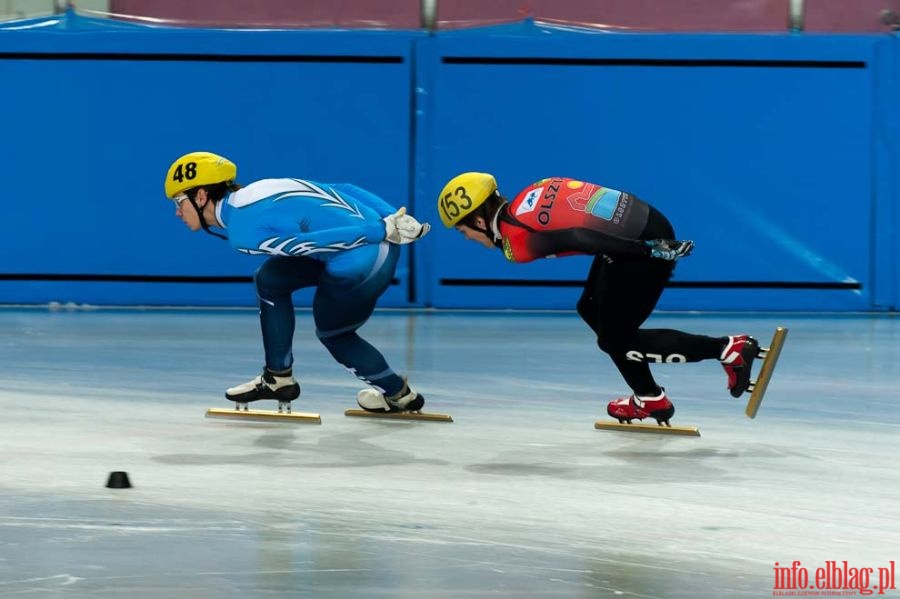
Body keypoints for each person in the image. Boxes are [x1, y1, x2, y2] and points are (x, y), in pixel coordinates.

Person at [437, 172, 759, 425]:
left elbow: (579, 237)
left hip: (637, 246)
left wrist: (648, 249)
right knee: (589, 308)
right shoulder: (531, 192)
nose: (470, 239)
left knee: (616, 341)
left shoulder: (515, 242)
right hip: (644, 222)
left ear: (479, 221)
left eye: (465, 232)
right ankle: (649, 398)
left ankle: (729, 350)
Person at [163, 151, 431, 413]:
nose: (177, 213)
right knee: (269, 279)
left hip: (363, 258)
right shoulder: (261, 187)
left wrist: (377, 231)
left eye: (178, 202)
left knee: (335, 335)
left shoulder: (243, 233)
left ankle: (399, 396)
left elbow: (309, 243)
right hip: (374, 239)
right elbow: (343, 187)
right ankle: (278, 378)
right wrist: (392, 217)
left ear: (200, 196)